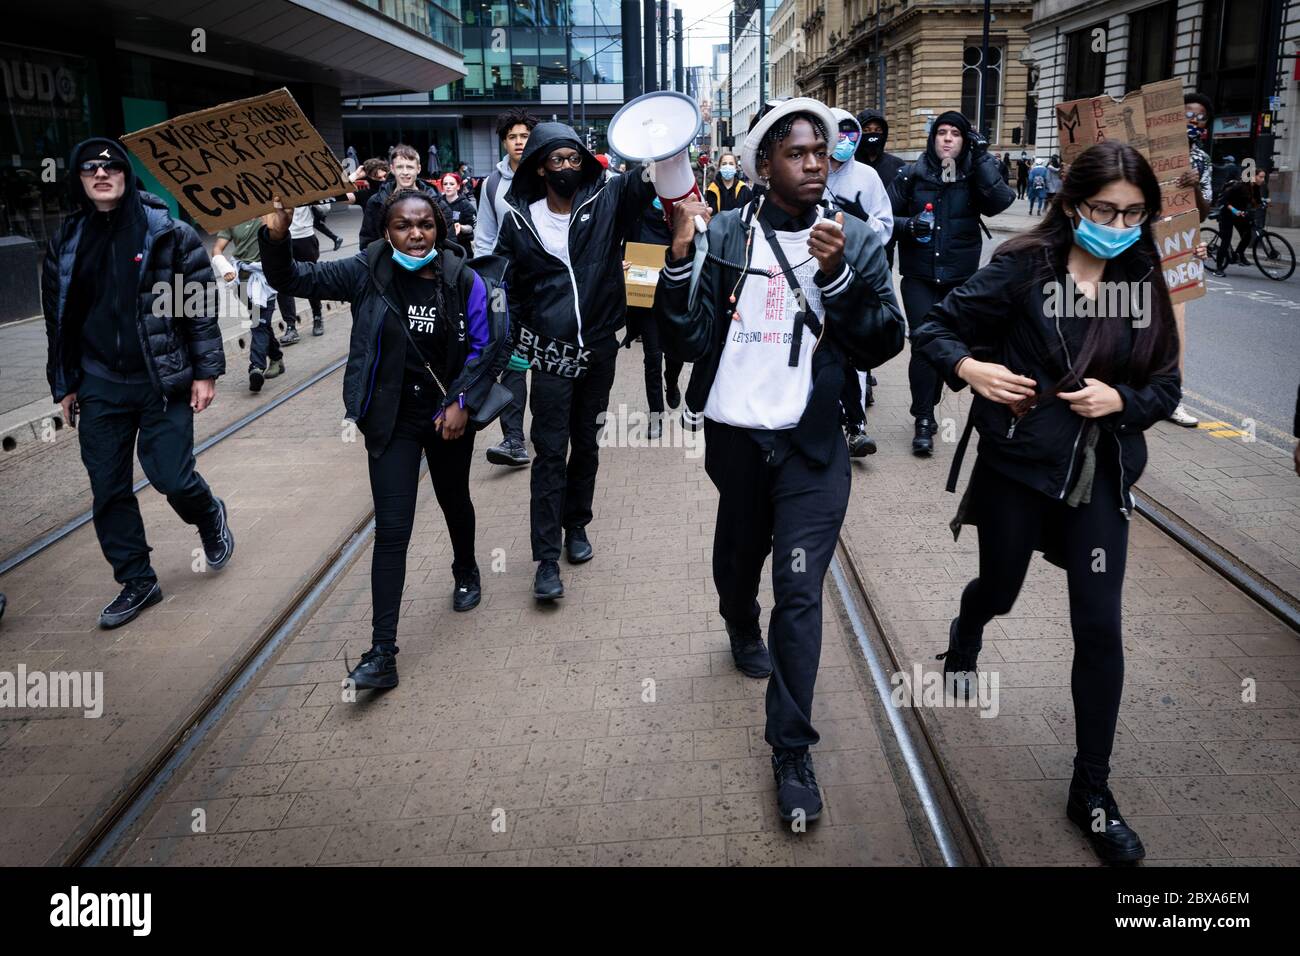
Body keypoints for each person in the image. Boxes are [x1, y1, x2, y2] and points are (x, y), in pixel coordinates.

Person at [913, 140, 1182, 865]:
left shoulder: (1144, 276)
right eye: (1105, 210)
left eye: (1134, 213)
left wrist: (1120, 399)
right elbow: (935, 326)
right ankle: (967, 631)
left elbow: (1167, 387)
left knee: (1099, 629)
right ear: (1071, 205)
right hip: (1021, 470)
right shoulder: (1025, 267)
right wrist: (972, 369)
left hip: (1100, 477)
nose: (1121, 224)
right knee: (999, 589)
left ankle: (1091, 792)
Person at [657, 99, 905, 824]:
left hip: (812, 446)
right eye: (796, 154)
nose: (813, 165)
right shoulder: (726, 232)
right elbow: (686, 340)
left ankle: (790, 749)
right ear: (765, 164)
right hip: (737, 442)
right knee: (740, 561)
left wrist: (837, 281)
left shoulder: (852, 238)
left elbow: (885, 340)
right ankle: (738, 619)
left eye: (821, 154)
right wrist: (679, 258)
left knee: (799, 593)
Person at [260, 189, 508, 690]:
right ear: (386, 230)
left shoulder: (466, 279)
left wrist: (460, 403)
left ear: (438, 228)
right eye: (403, 225)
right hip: (391, 420)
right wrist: (277, 234)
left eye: (425, 225)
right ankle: (383, 653)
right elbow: (290, 278)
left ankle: (466, 568)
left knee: (453, 498)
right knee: (393, 530)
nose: (415, 235)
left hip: (447, 419)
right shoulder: (364, 270)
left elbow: (491, 346)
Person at [43, 138, 233, 628]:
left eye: (111, 168)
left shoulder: (166, 233)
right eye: (89, 169)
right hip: (99, 381)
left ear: (127, 176)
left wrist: (206, 371)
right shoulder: (67, 240)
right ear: (78, 180)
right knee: (108, 489)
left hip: (161, 378)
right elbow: (57, 319)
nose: (101, 175)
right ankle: (137, 580)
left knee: (171, 476)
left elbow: (196, 308)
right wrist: (64, 383)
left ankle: (208, 513)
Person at [493, 121, 657, 602]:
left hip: (599, 349)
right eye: (556, 160)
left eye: (574, 159)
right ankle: (545, 559)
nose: (566, 168)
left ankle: (577, 527)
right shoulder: (518, 221)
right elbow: (510, 290)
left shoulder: (606, 202)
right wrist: (518, 344)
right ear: (540, 167)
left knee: (586, 445)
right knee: (549, 452)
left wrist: (659, 137)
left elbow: (650, 178)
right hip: (550, 355)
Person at [889, 111, 1016, 455]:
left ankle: (932, 399)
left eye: (955, 134)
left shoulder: (974, 172)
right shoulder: (912, 174)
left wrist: (982, 157)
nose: (947, 139)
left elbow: (1001, 201)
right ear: (932, 139)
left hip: (960, 279)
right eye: (941, 133)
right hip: (919, 276)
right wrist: (908, 226)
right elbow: (884, 218)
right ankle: (924, 419)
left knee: (950, 348)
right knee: (923, 343)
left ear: (964, 140)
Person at [826, 107, 893, 458]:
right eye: (839, 132)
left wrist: (860, 235)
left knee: (854, 348)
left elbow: (885, 224)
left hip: (855, 276)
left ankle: (856, 425)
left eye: (852, 134)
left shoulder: (867, 177)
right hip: (814, 275)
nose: (845, 140)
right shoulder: (811, 169)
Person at [477, 108, 539, 469]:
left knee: (546, 362)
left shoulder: (548, 175)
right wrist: (486, 283)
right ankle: (513, 439)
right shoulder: (491, 185)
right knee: (512, 362)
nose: (519, 142)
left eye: (525, 136)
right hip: (505, 287)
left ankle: (548, 428)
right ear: (504, 141)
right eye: (513, 136)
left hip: (545, 286)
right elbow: (484, 236)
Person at [1166, 91, 1217, 428]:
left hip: (1177, 250)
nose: (1194, 122)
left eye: (1200, 118)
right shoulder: (1150, 154)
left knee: (1176, 330)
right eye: (1188, 115)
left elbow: (1202, 211)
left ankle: (1172, 399)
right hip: (1136, 246)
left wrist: (1194, 187)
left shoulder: (1201, 160)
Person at [622, 196, 683, 434]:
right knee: (652, 357)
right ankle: (656, 414)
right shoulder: (635, 211)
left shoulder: (679, 210)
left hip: (674, 295)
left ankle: (672, 379)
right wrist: (622, 262)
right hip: (646, 299)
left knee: (675, 353)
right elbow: (622, 244)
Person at [213, 216, 289, 391]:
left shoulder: (267, 212)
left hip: (265, 277)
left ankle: (256, 367)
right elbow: (217, 249)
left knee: (258, 323)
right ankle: (276, 357)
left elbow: (277, 230)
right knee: (261, 322)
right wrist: (225, 268)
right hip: (242, 279)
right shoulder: (232, 217)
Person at [359, 145, 440, 249]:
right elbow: (368, 242)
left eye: (410, 167)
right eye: (400, 167)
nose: (405, 172)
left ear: (418, 169)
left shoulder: (435, 200)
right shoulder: (376, 202)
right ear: (392, 169)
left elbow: (446, 241)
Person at [283, 203, 330, 340]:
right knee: (282, 281)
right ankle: (290, 325)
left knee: (310, 278)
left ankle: (317, 316)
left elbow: (325, 207)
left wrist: (314, 200)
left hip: (305, 236)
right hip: (283, 235)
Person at [1211, 167, 1267, 276]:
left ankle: (1238, 254)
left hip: (1239, 215)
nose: (1263, 179)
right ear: (1252, 177)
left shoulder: (1255, 187)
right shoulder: (1239, 186)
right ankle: (1218, 269)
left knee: (1247, 235)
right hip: (1227, 214)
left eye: (1263, 177)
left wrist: (1263, 203)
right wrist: (1234, 210)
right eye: (1261, 177)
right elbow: (1223, 200)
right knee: (1226, 240)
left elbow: (1257, 201)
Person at [436, 172, 477, 256]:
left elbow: (471, 227)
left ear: (458, 186)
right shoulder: (437, 203)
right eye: (445, 184)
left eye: (451, 184)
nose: (448, 186)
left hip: (462, 247)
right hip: (442, 247)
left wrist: (461, 227)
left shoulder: (465, 205)